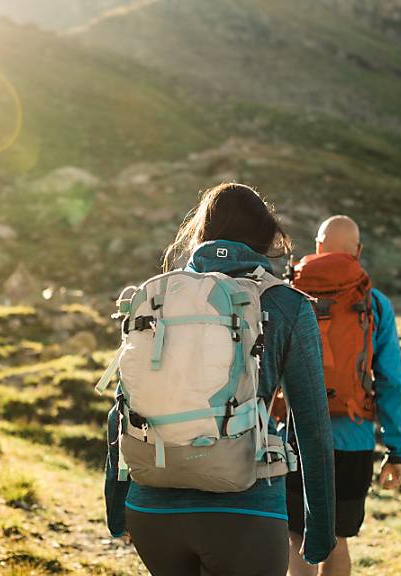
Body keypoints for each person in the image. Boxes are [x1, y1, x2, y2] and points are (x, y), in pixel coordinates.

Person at [103, 183, 337, 576]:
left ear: (200, 235)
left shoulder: (159, 298)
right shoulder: (286, 304)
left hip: (152, 507)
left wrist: (117, 507)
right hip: (246, 509)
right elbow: (311, 426)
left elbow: (122, 408)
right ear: (267, 239)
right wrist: (320, 533)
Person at [284, 216, 401, 576]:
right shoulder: (376, 303)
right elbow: (391, 383)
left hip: (296, 436)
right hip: (353, 441)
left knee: (297, 536)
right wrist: (395, 449)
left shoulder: (289, 293)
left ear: (319, 247)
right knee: (337, 539)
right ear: (358, 251)